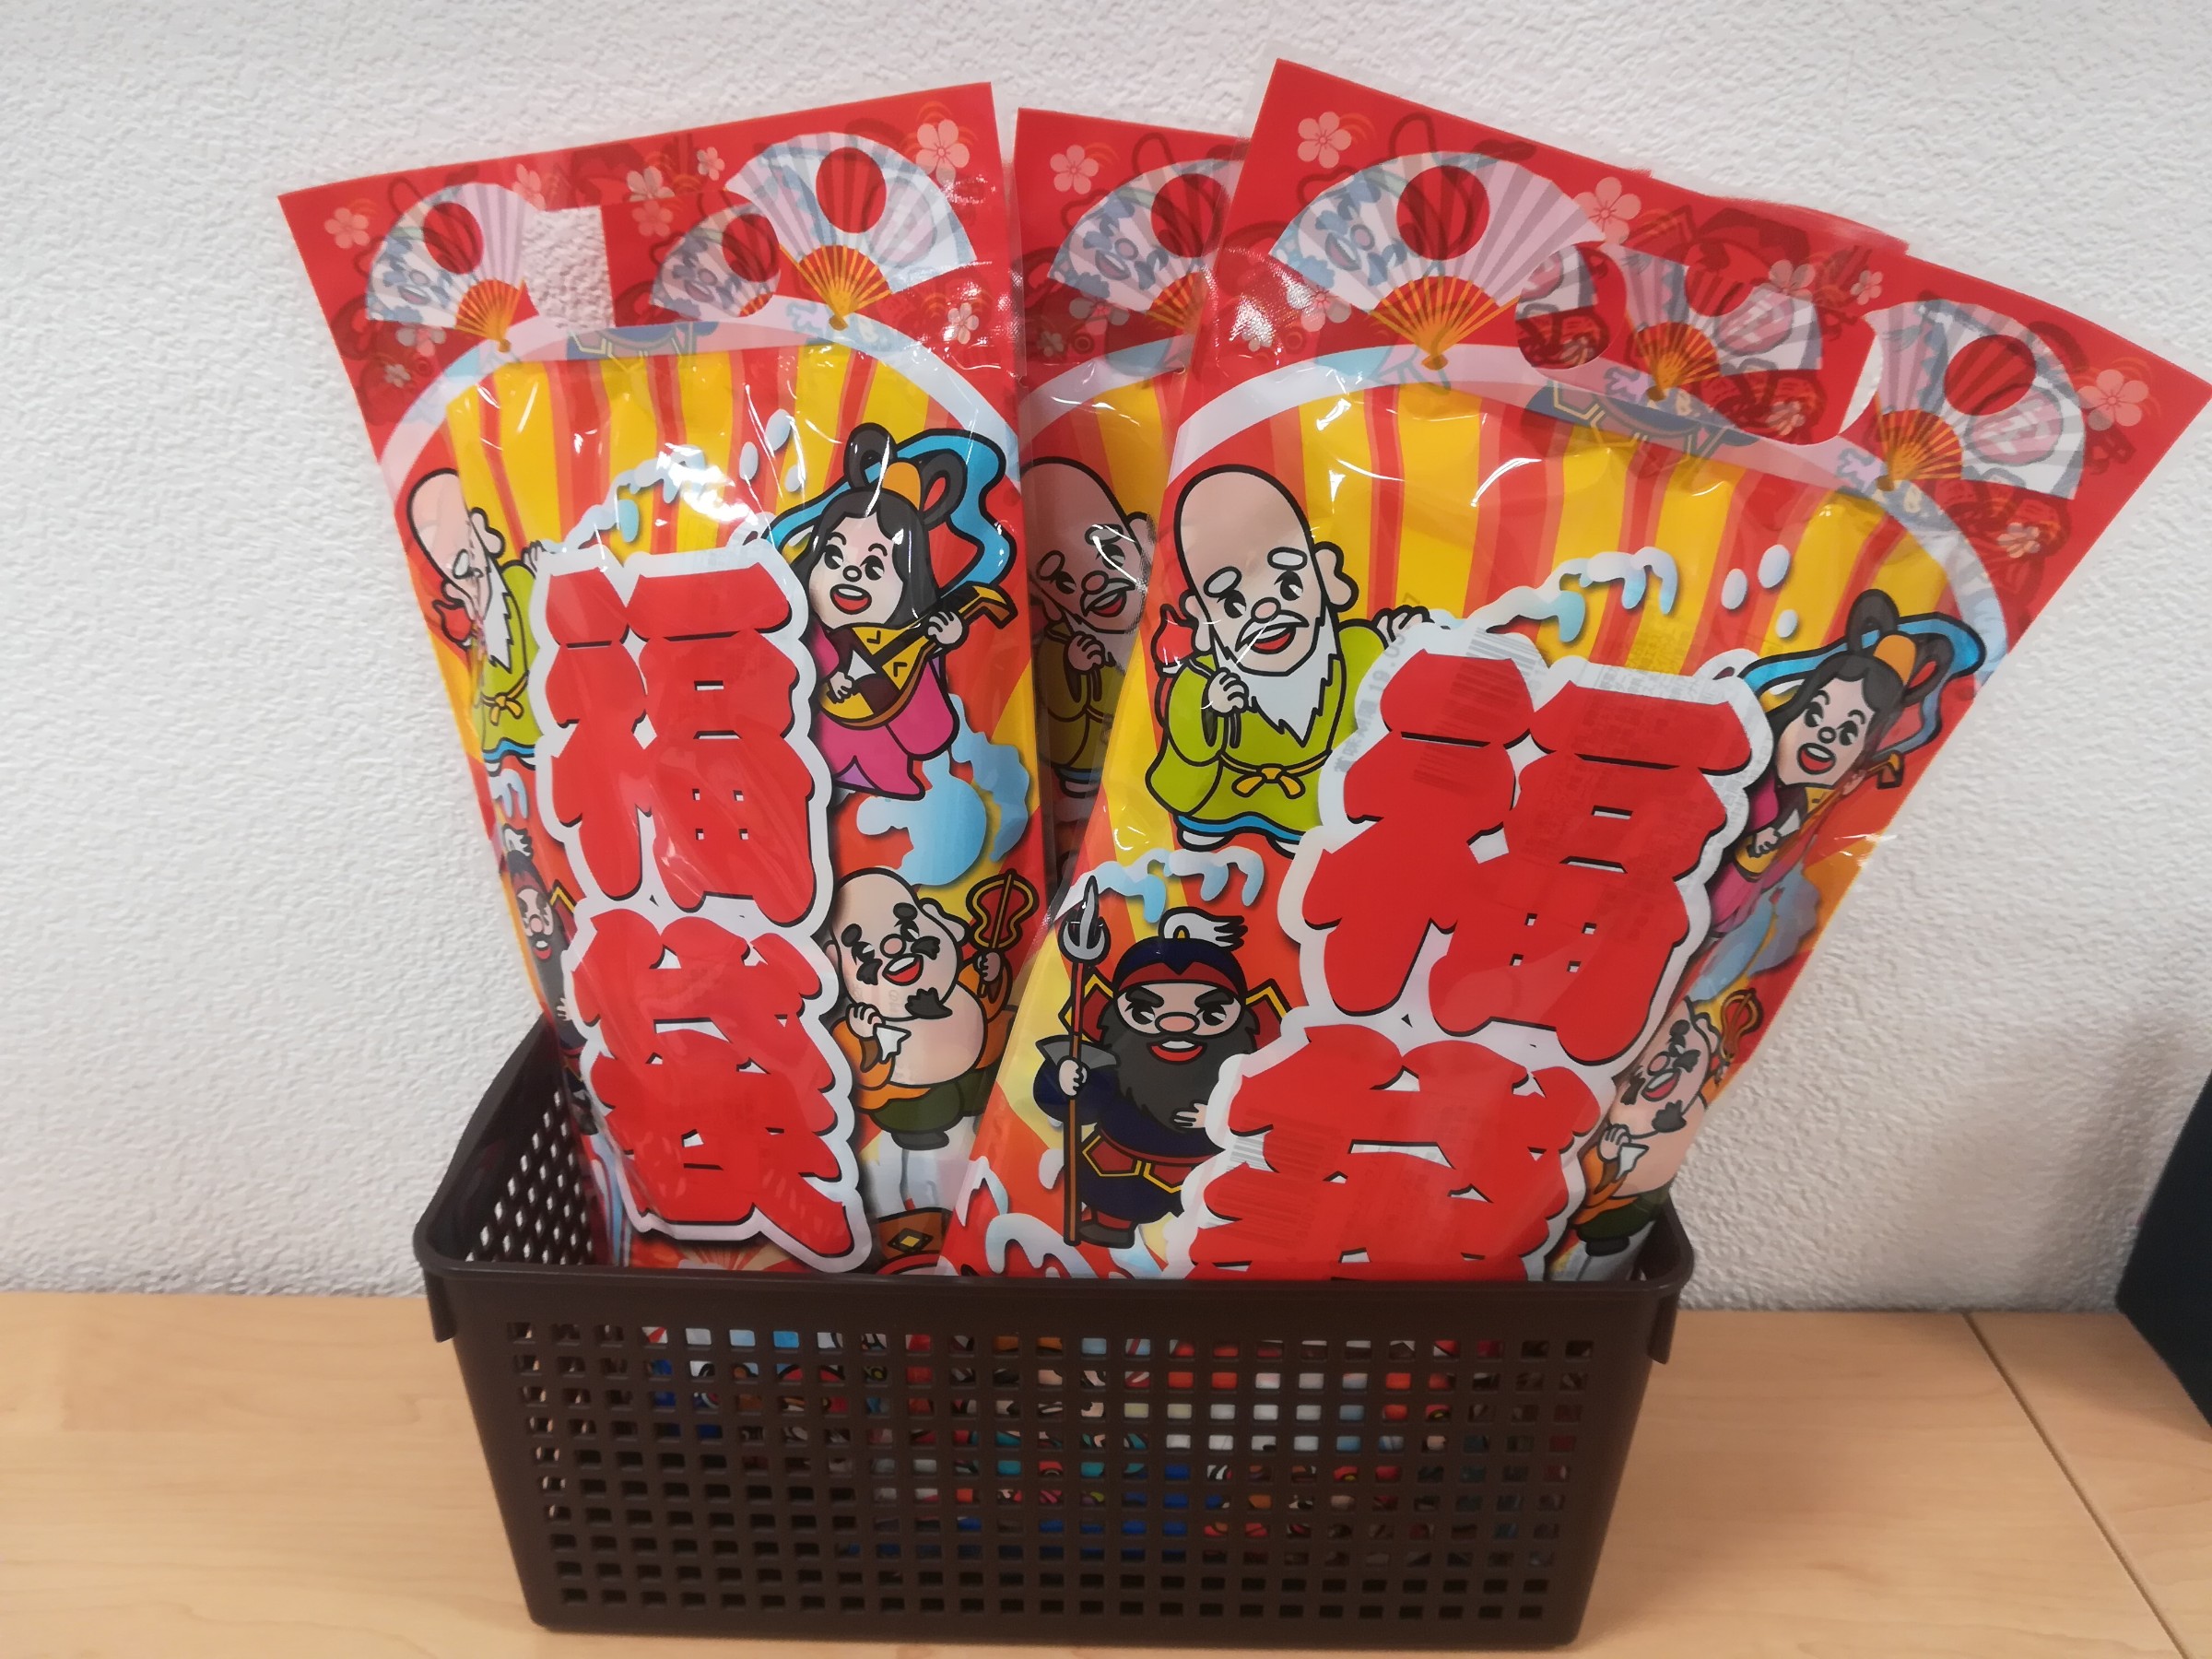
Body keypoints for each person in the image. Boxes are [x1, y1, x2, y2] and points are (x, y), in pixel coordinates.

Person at [1147, 466, 1426, 852]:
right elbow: (1184, 751)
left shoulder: (1355, 647)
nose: (1264, 611)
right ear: (1201, 618)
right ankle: (1213, 828)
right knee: (1204, 838)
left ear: (1325, 576)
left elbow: (1378, 684)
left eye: (1289, 584)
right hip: (1222, 796)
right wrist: (1211, 708)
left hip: (1312, 798)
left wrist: (1398, 643)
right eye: (1232, 602)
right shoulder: (1200, 680)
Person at [774, 424, 1011, 800]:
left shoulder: (908, 651)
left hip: (885, 794)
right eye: (833, 557)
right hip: (799, 778)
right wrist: (827, 671)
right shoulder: (797, 638)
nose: (850, 574)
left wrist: (934, 648)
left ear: (910, 583)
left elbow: (928, 737)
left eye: (874, 568)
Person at [1035, 910, 1279, 1249]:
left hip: (1205, 1166)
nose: (1177, 1025)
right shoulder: (1111, 1052)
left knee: (1210, 1212)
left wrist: (1221, 1115)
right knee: (1112, 1197)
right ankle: (1110, 1223)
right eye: (1145, 1010)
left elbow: (1273, 1103)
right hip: (1121, 1163)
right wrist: (1067, 1081)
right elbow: (1084, 1106)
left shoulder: (1245, 1058)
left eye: (1210, 1012)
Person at [823, 869, 1010, 1248]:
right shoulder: (858, 1023)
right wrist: (866, 1039)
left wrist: (992, 976)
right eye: (864, 950)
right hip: (907, 1113)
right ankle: (909, 1236)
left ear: (933, 919)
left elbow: (990, 1009)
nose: (895, 947)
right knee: (898, 1173)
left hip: (976, 1102)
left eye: (906, 928)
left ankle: (968, 1229)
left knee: (970, 1163)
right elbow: (859, 1076)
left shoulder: (959, 985)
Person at [1023, 458, 1154, 797]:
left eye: (1111, 551)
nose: (1094, 582)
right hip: (1086, 763)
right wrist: (1072, 667)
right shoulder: (1060, 644)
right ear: (1049, 602)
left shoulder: (1171, 624)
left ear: (1142, 538)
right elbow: (1055, 707)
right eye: (1062, 581)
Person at [406, 468, 540, 769]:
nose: (457, 562)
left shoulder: (519, 580)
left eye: (460, 537)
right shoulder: (472, 624)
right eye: (440, 551)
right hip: (504, 742)